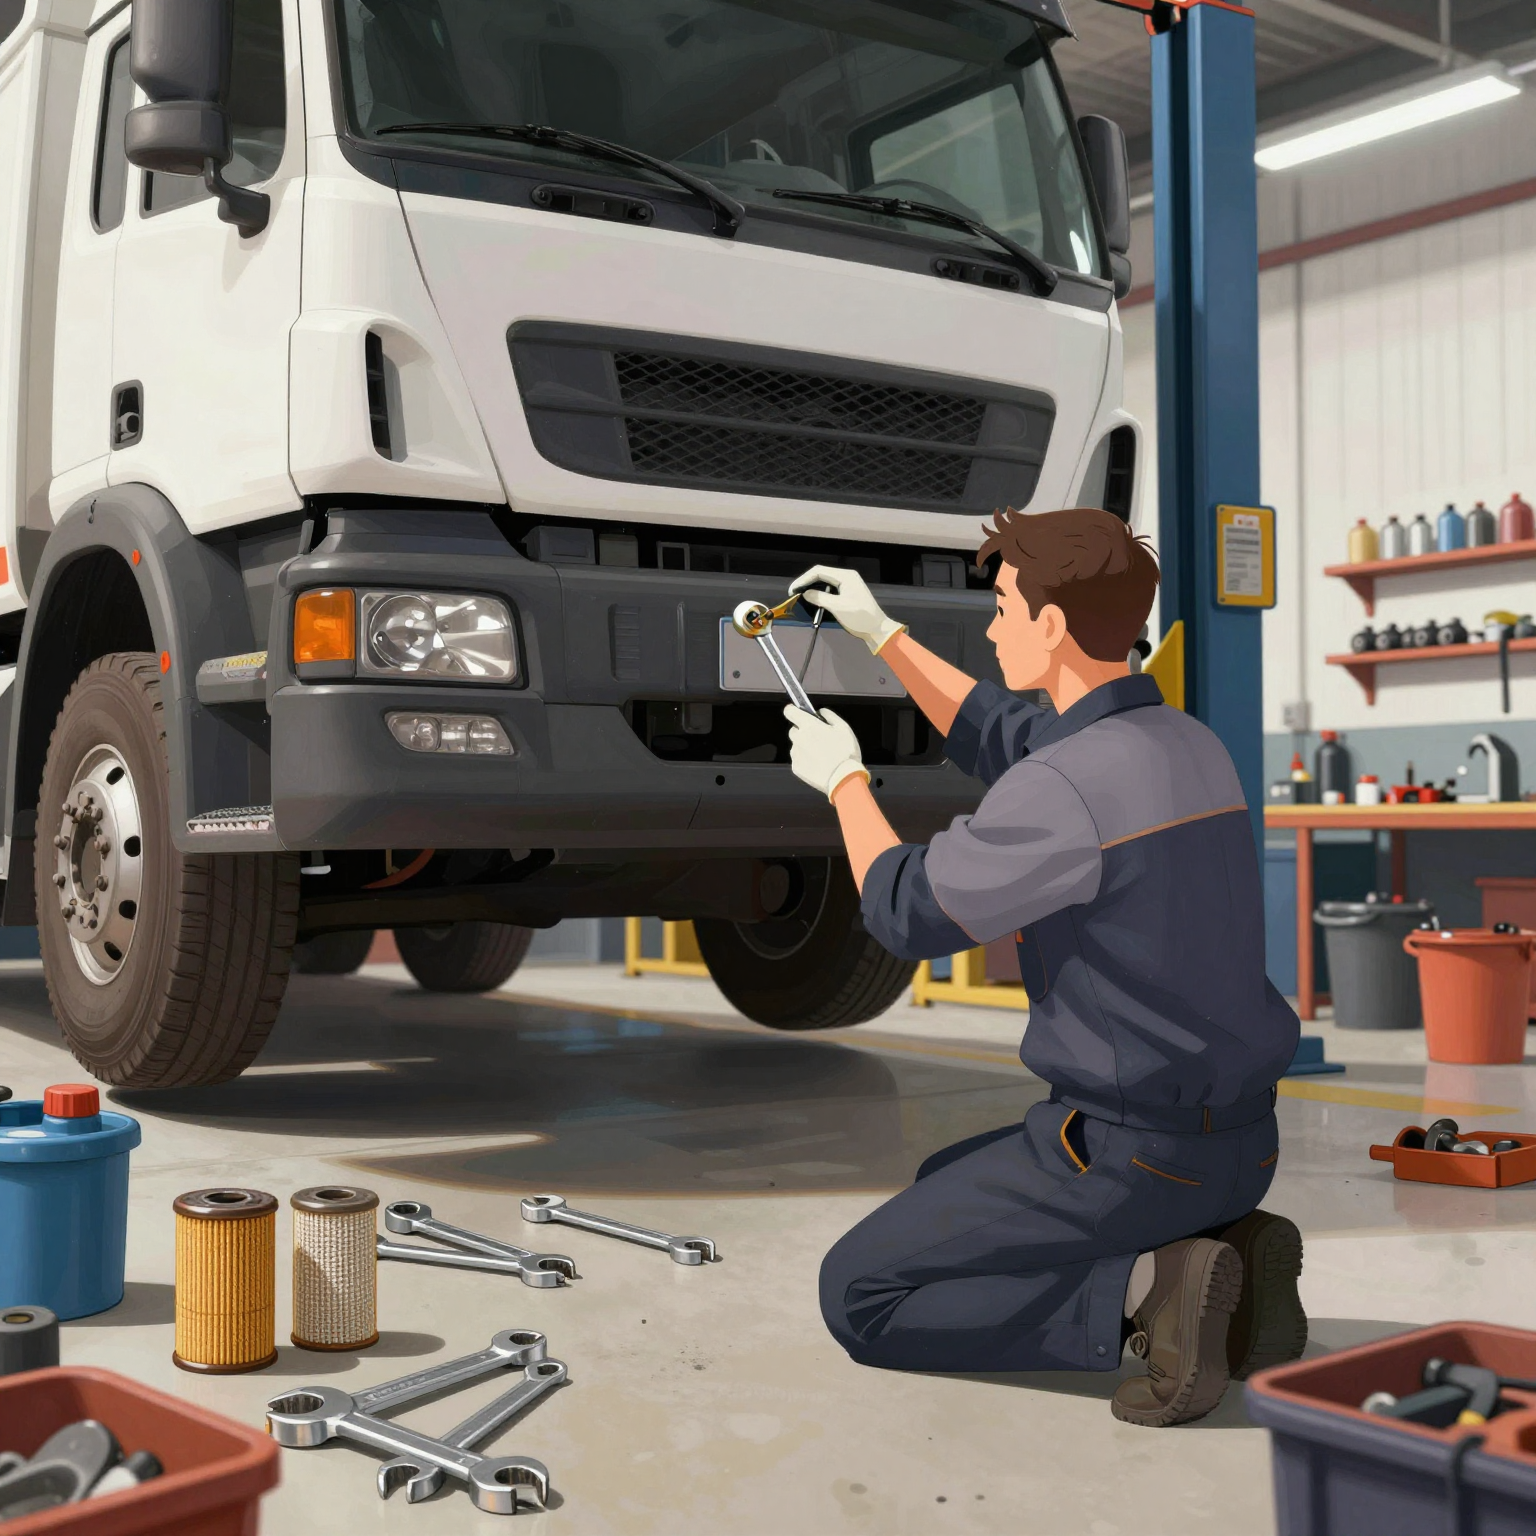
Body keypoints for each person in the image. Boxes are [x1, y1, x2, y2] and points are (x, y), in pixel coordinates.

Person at [782, 506, 1303, 1427]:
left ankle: (1153, 1292)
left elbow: (907, 910)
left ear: (1052, 626)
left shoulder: (1066, 789)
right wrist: (882, 636)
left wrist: (844, 782)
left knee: (858, 1293)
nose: (990, 630)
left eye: (1003, 609)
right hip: (1243, 1144)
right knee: (947, 1172)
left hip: (1134, 1155)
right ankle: (1235, 1249)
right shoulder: (1190, 745)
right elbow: (1005, 733)